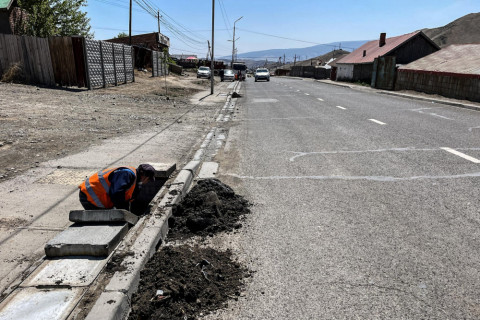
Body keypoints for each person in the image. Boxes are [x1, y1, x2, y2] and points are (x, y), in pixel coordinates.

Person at [78, 164, 156, 211]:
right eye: (149, 180)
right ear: (145, 177)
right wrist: (124, 212)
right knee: (102, 222)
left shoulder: (134, 178)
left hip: (94, 196)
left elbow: (127, 198)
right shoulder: (126, 174)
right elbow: (116, 194)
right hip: (90, 196)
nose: (148, 182)